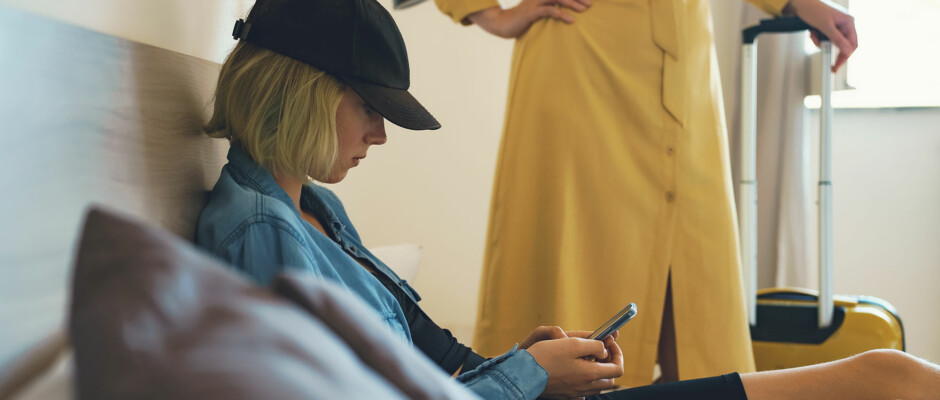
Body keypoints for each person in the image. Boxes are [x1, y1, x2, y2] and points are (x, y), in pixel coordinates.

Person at [195, 0, 940, 399]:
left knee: (885, 375)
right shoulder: (265, 233)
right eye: (370, 109)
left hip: (682, 72)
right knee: (891, 379)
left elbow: (410, 368)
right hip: (587, 62)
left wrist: (515, 366)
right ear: (303, 95)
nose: (381, 138)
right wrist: (526, 378)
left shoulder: (310, 210)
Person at [433, 0, 859, 385]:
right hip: (582, 63)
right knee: (579, 287)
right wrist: (489, 13)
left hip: (687, 70)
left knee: (701, 320)